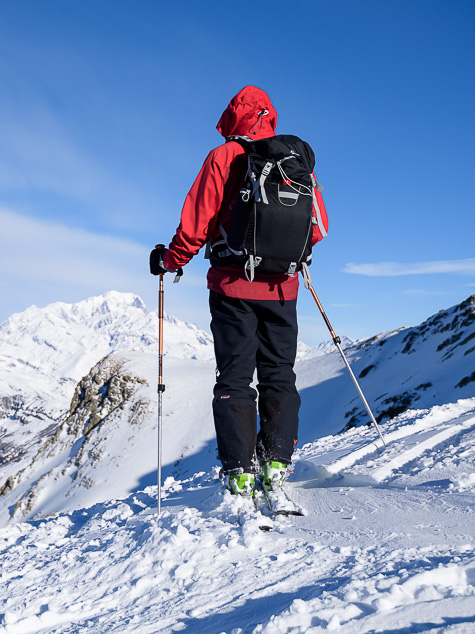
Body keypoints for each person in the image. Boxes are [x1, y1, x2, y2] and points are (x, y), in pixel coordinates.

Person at [150, 86, 328, 507]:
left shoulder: (223, 157)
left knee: (235, 378)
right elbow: (318, 228)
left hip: (232, 287)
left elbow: (196, 223)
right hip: (284, 288)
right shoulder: (295, 161)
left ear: (233, 116)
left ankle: (239, 473)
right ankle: (276, 464)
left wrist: (169, 260)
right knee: (279, 374)